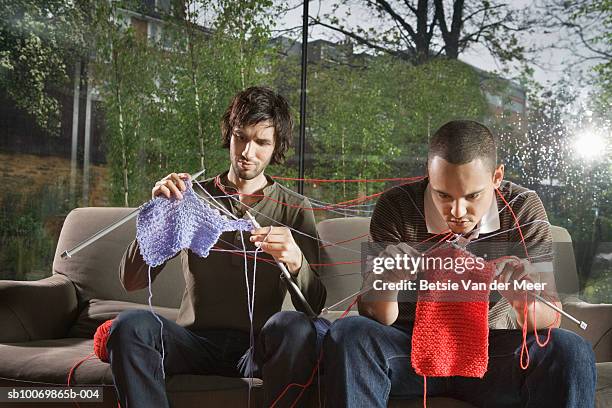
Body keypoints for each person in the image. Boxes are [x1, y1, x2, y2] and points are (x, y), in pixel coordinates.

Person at [323, 120, 596, 407]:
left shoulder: (523, 207)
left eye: (472, 196)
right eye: (443, 195)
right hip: (410, 351)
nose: (457, 212)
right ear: (429, 174)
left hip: (493, 351)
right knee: (350, 333)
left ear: (497, 177)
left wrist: (523, 302)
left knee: (571, 349)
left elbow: (552, 315)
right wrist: (387, 283)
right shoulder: (397, 206)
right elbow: (375, 313)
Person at [107, 86, 328, 408]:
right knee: (129, 325)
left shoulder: (294, 208)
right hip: (192, 341)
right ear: (230, 134)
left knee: (293, 326)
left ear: (277, 146)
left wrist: (296, 261)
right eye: (241, 137)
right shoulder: (190, 198)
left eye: (262, 142)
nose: (247, 153)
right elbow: (132, 281)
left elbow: (316, 306)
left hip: (258, 350)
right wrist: (158, 214)